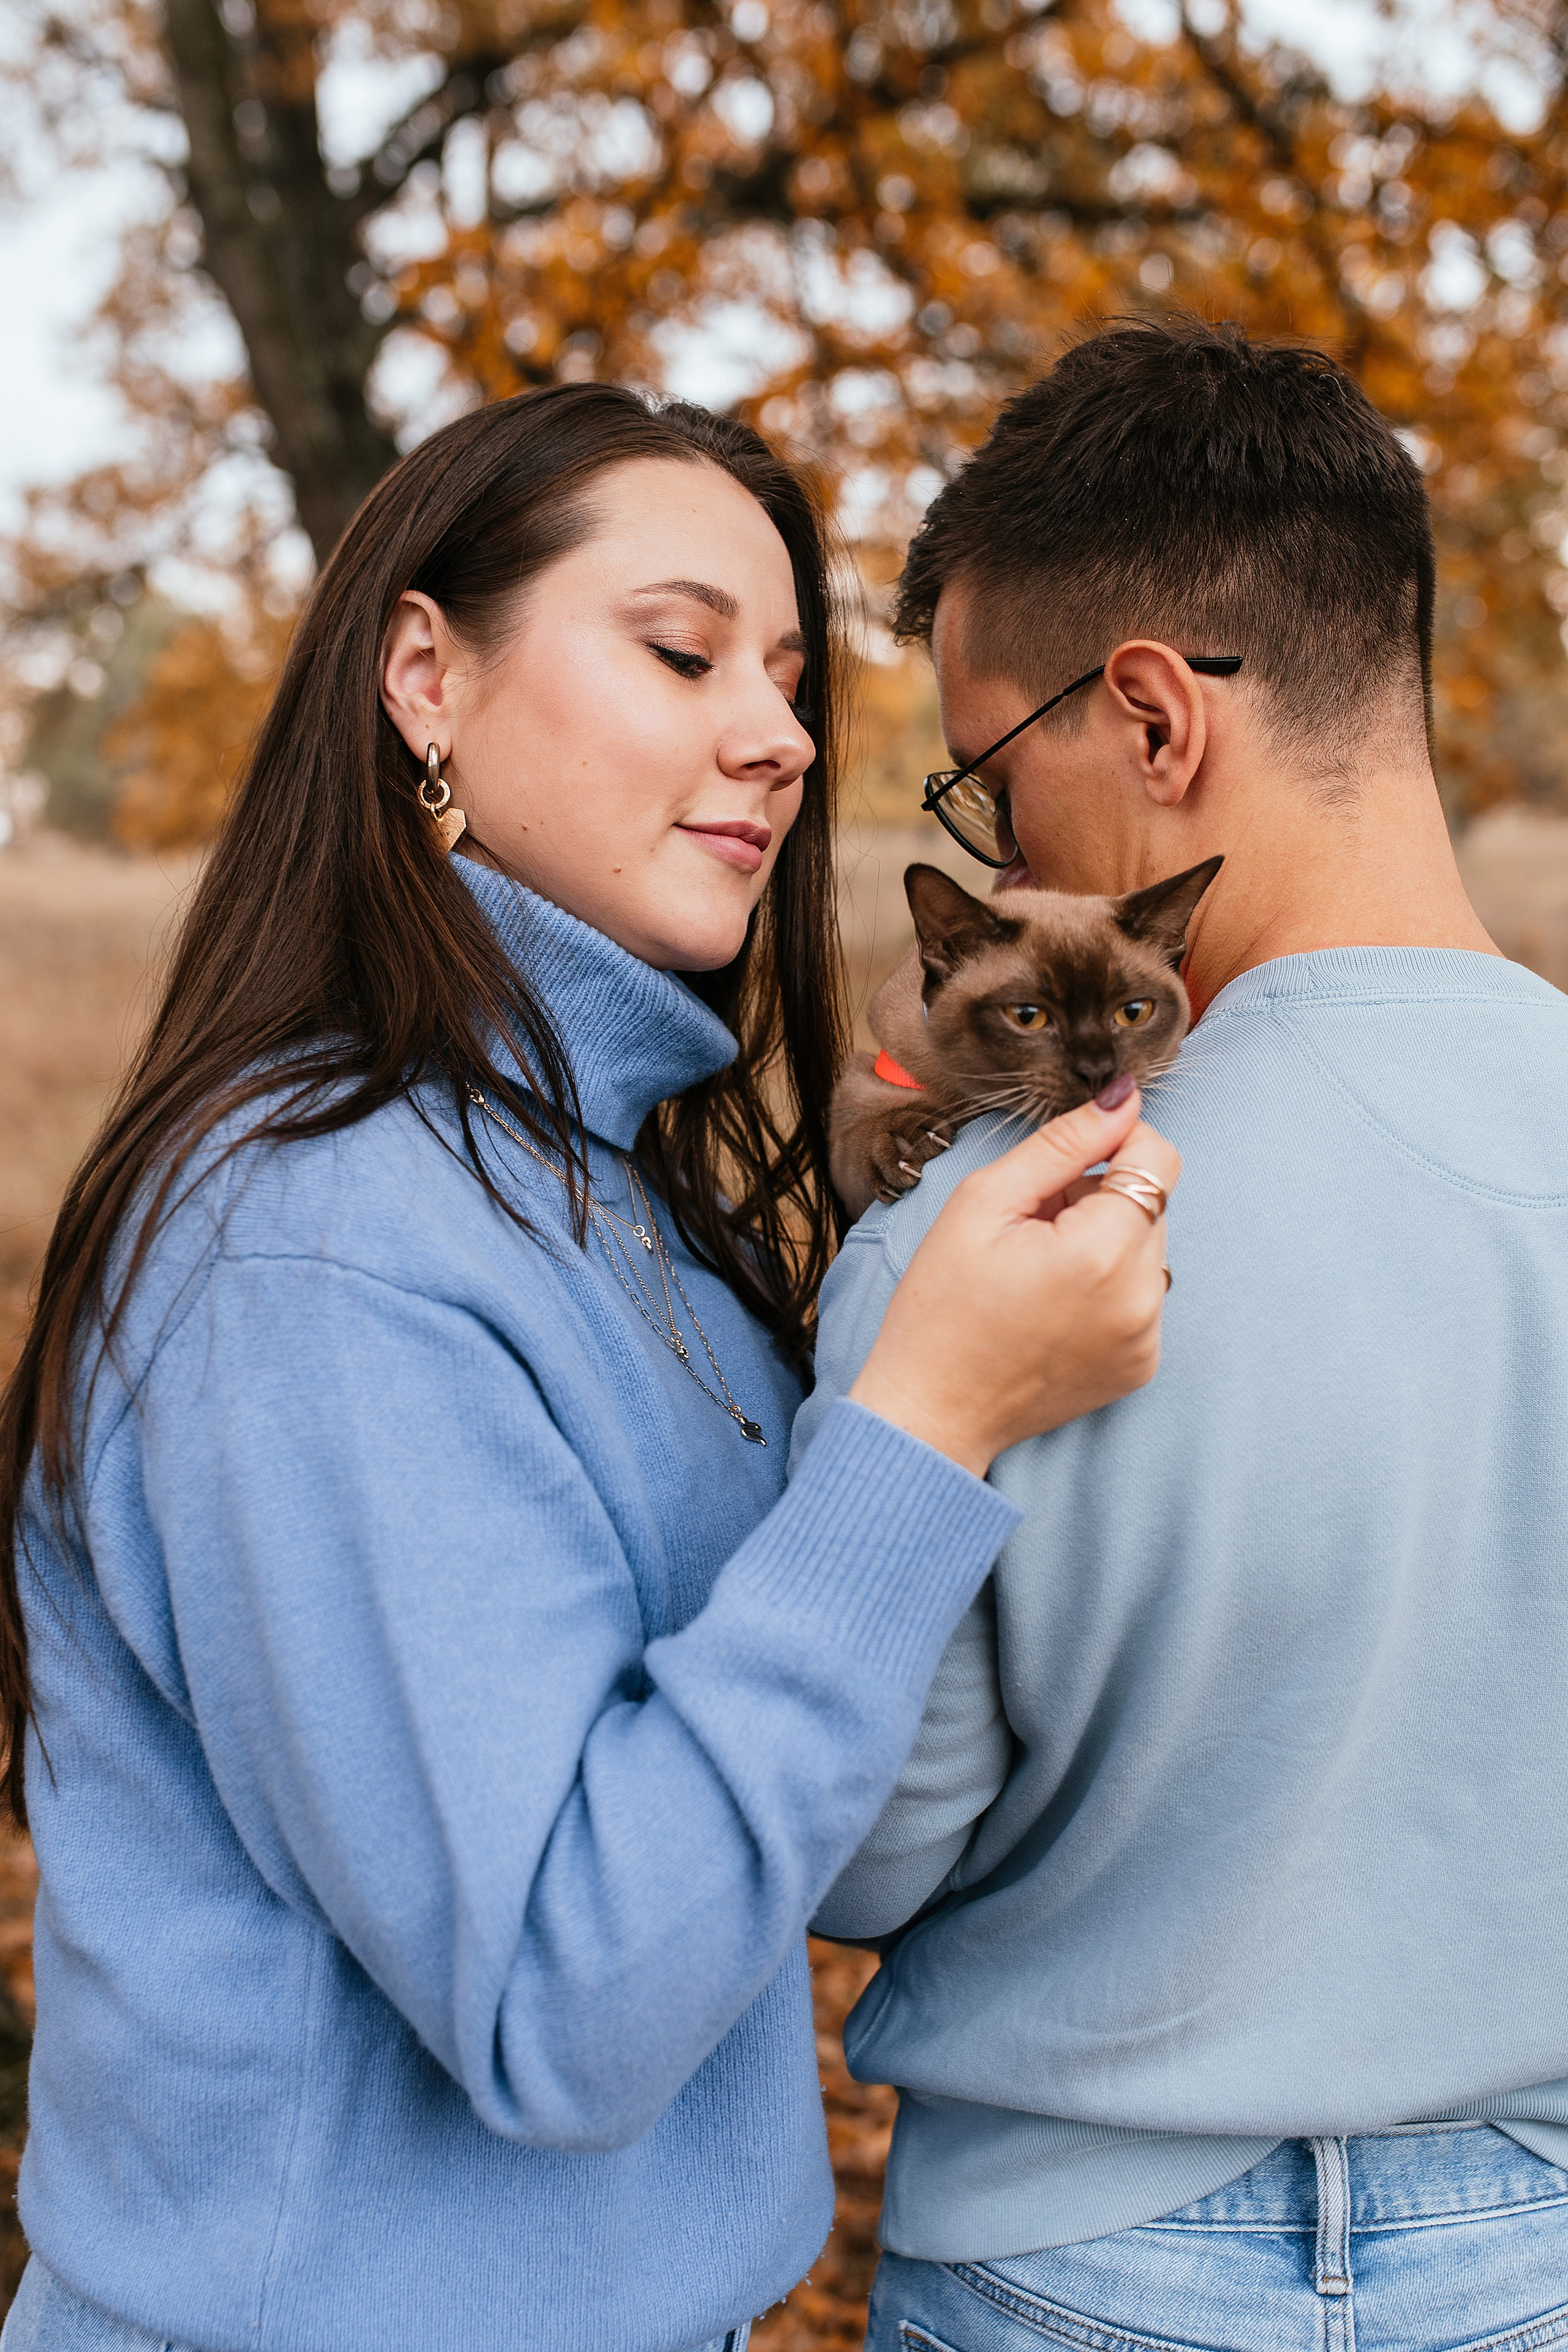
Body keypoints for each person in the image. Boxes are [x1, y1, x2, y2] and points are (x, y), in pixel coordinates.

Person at [0, 383, 1176, 2352]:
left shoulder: (598, 1187)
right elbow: (570, 1996)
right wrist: (927, 1424)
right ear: (424, 677)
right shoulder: (317, 1254)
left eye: (790, 679)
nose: (782, 736)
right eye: (682, 651)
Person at [797, 316, 1568, 2352]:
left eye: (989, 780)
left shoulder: (969, 1238)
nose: (997, 855)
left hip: (1073, 2258)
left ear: (1151, 718)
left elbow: (863, 1858)